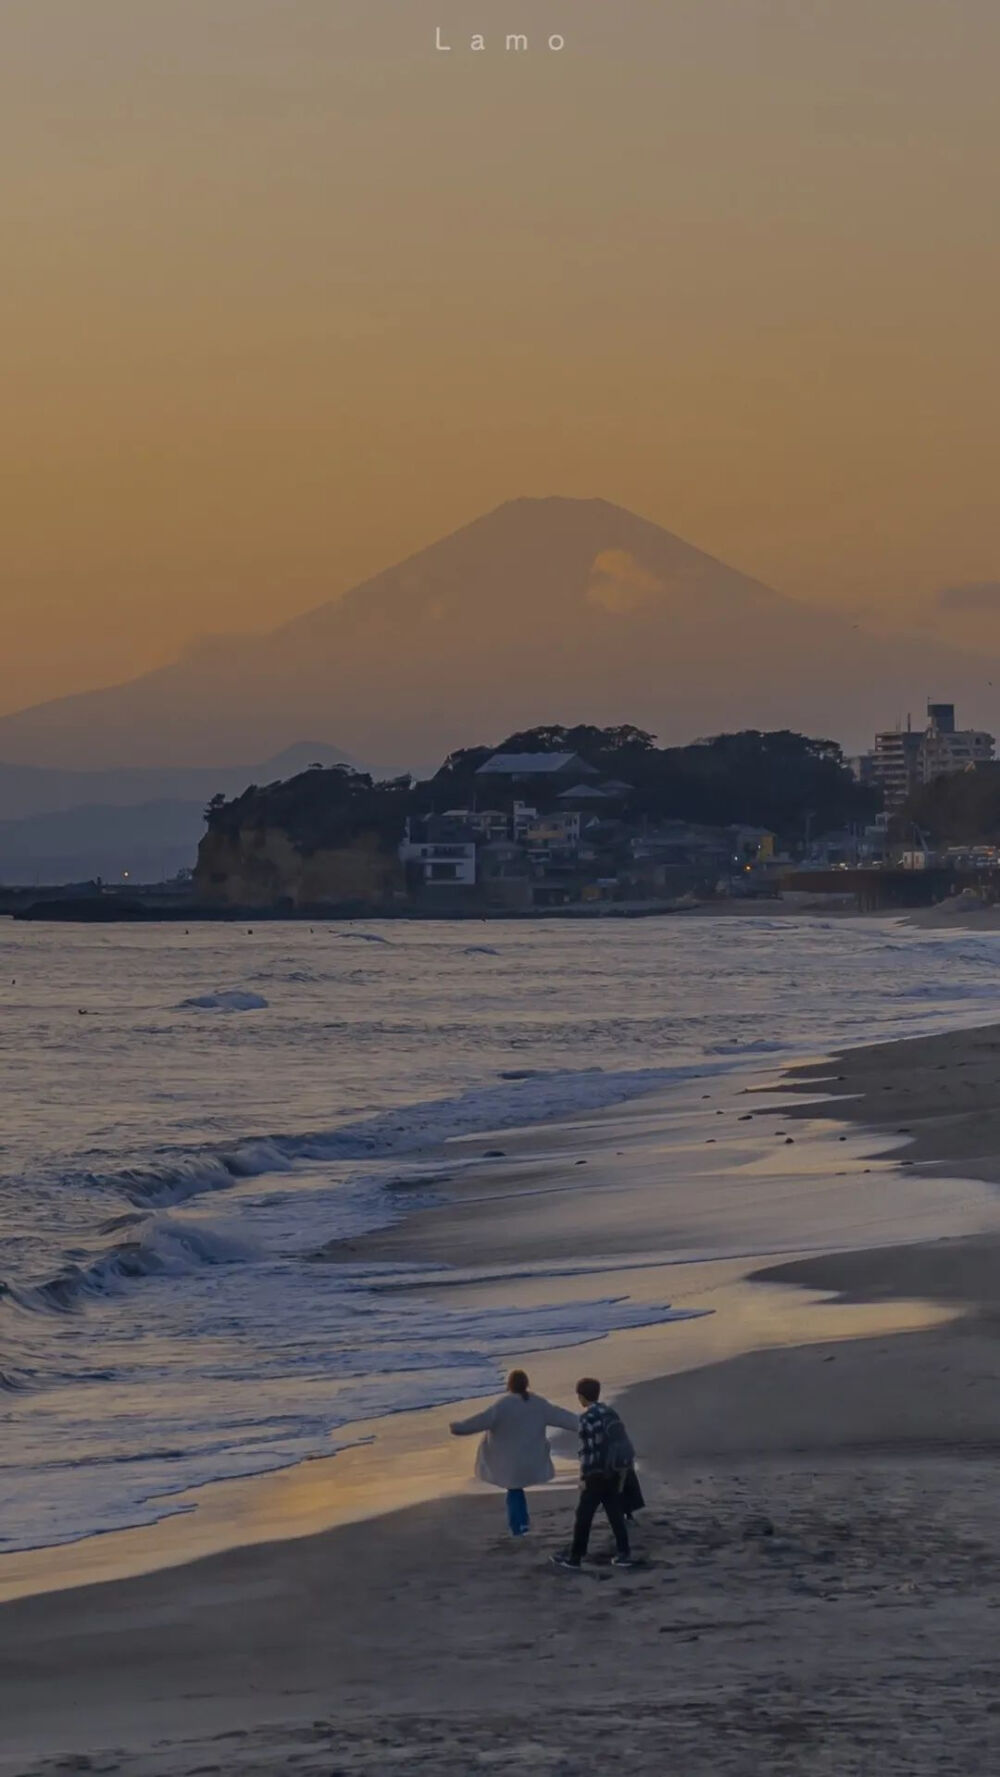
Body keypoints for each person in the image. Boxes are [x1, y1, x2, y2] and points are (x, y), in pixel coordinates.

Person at [450, 1369, 579, 1536]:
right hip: (530, 1458)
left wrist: (457, 1428)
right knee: (516, 1490)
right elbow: (564, 1417)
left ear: (509, 1385)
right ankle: (522, 1522)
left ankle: (518, 1526)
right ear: (526, 1384)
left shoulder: (503, 1405)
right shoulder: (538, 1403)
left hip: (508, 1461)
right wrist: (588, 1422)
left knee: (513, 1490)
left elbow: (479, 1421)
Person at [552, 1377, 636, 1569]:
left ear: (581, 1397)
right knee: (615, 1513)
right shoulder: (610, 1412)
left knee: (583, 1515)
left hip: (595, 1474)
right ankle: (624, 1553)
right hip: (614, 1470)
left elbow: (587, 1451)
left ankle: (575, 1557)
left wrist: (583, 1478)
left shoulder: (586, 1418)